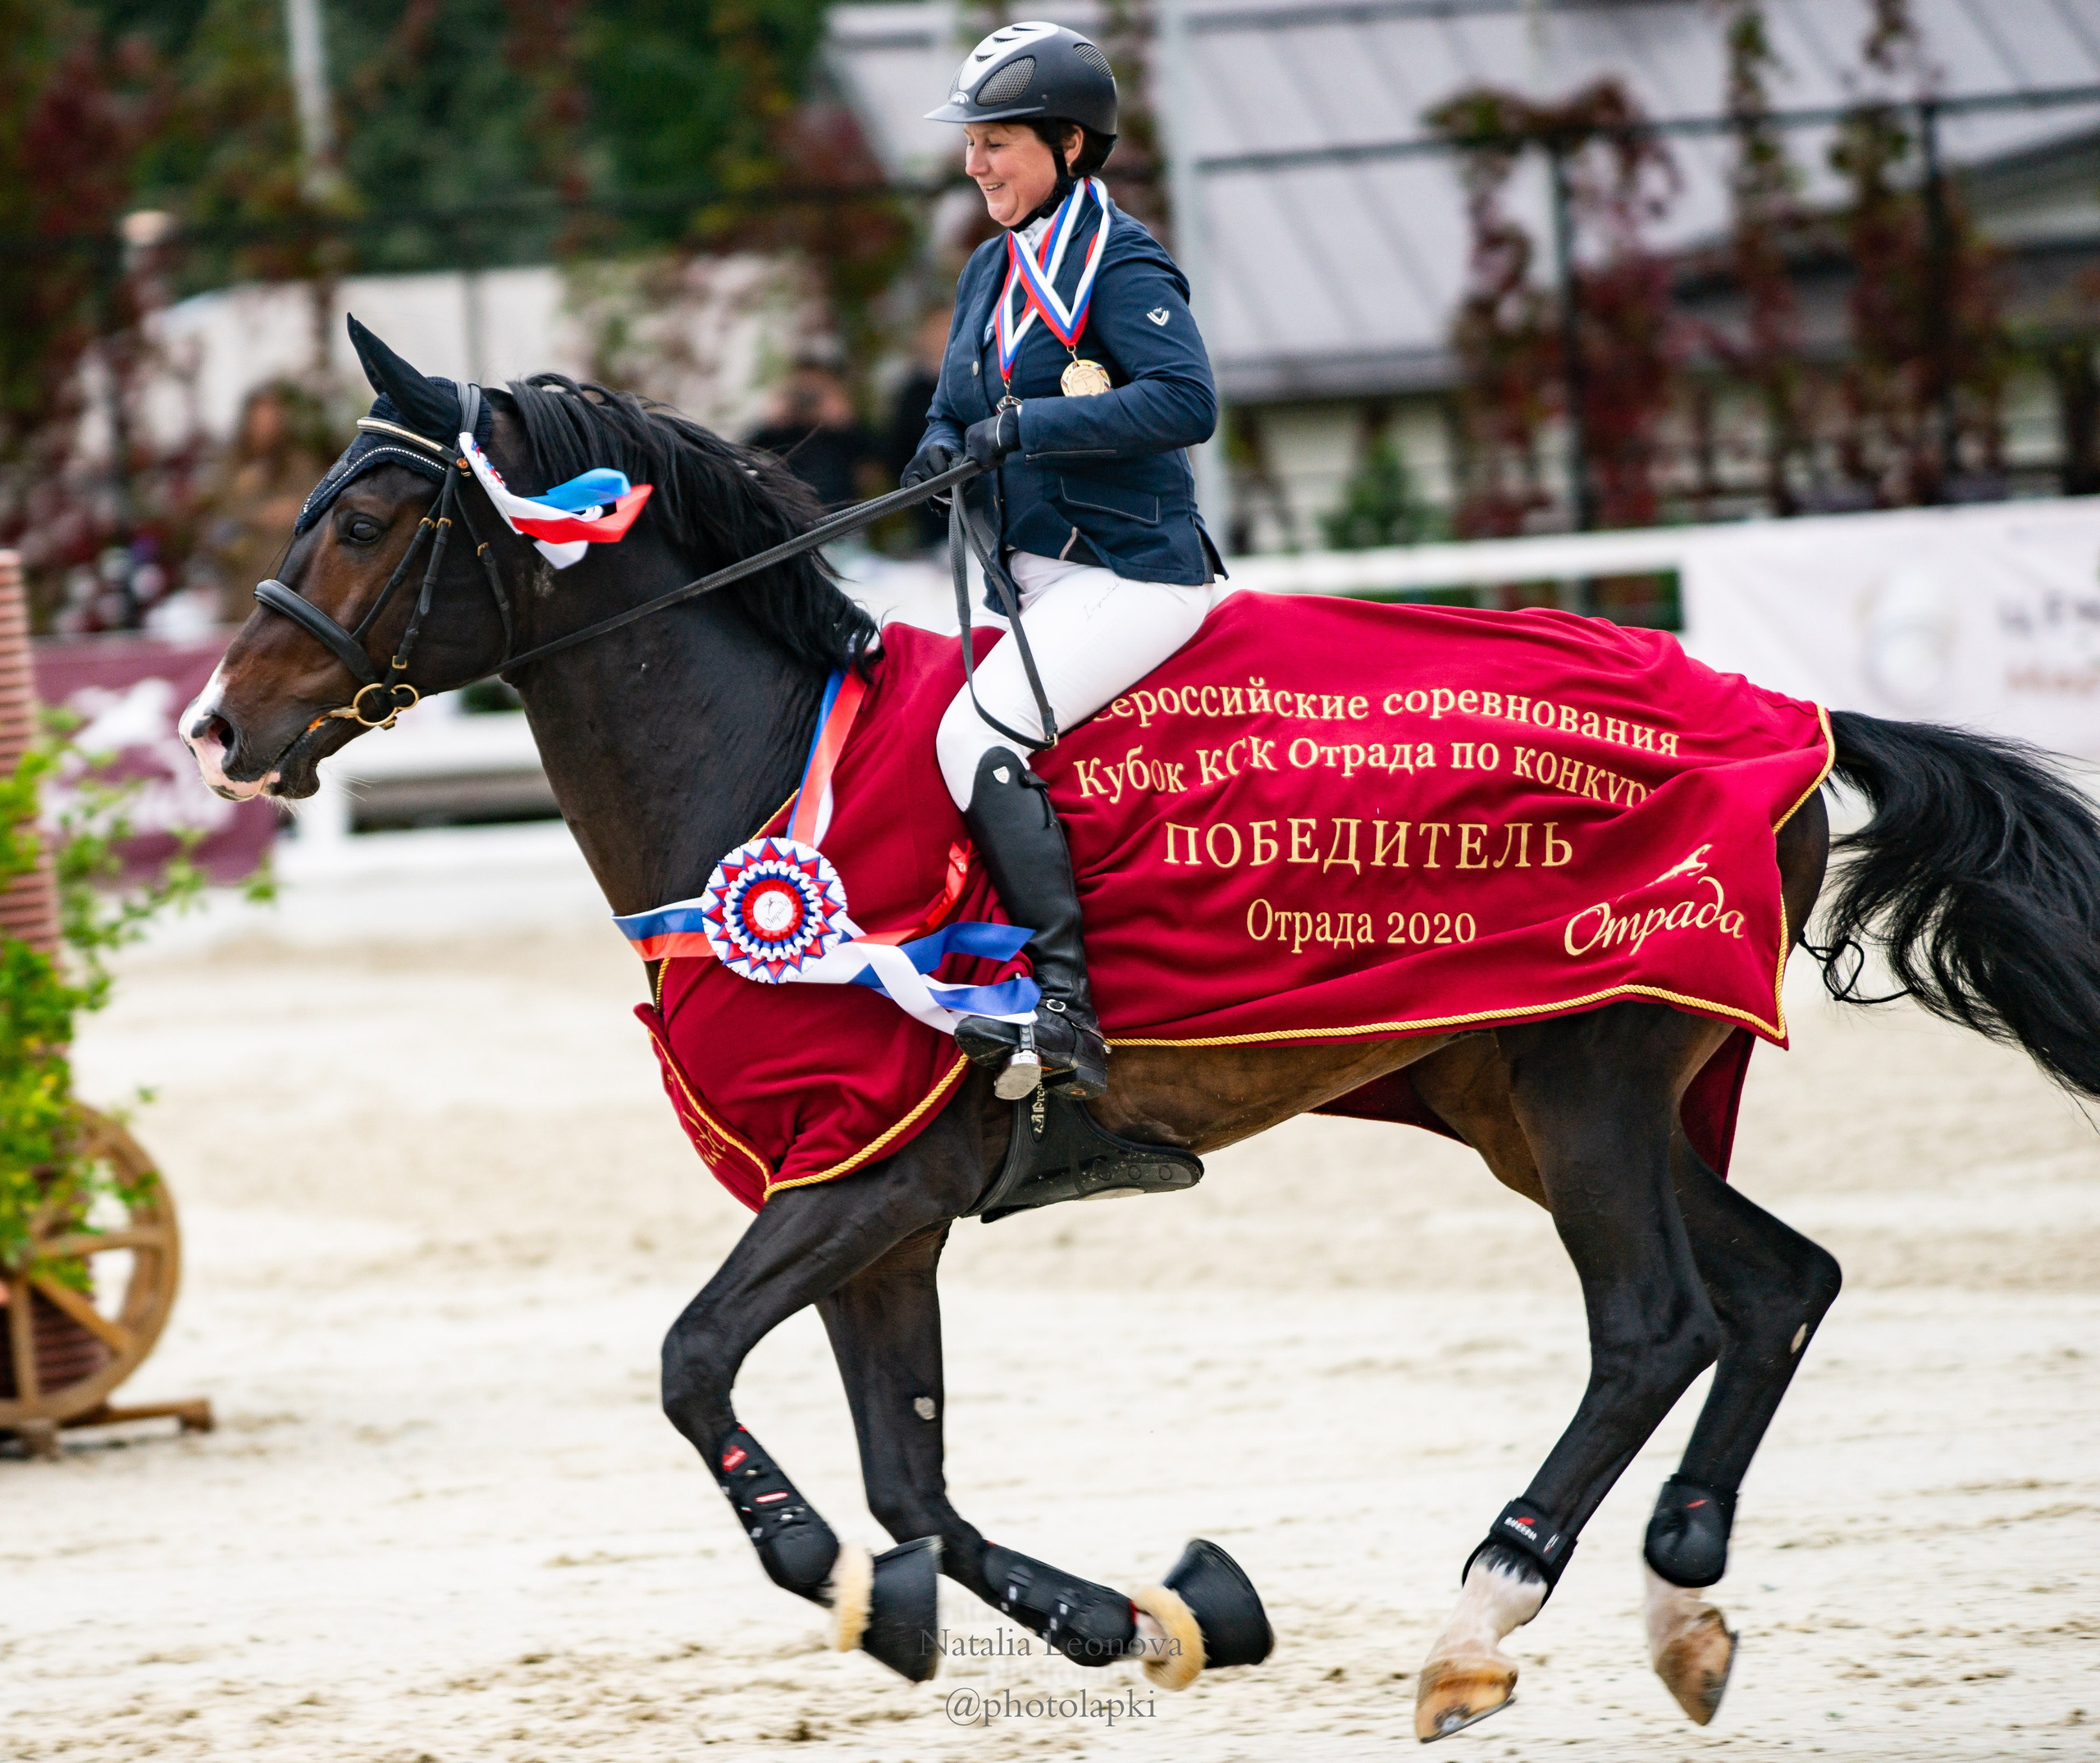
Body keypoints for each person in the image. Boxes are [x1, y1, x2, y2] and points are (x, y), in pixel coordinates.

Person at [904, 21, 1223, 1102]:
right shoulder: (990, 269)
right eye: (973, 141)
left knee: (976, 728)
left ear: (1070, 144)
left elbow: (1188, 401)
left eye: (996, 139)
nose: (974, 161)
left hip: (1133, 575)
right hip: (1029, 581)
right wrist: (938, 453)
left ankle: (1067, 1009)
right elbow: (953, 411)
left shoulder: (1119, 258)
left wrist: (1026, 427)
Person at [746, 353, 880, 509]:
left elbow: (873, 461)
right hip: (794, 511)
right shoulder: (782, 429)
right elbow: (749, 453)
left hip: (842, 509)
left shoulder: (839, 428)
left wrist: (843, 422)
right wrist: (772, 420)